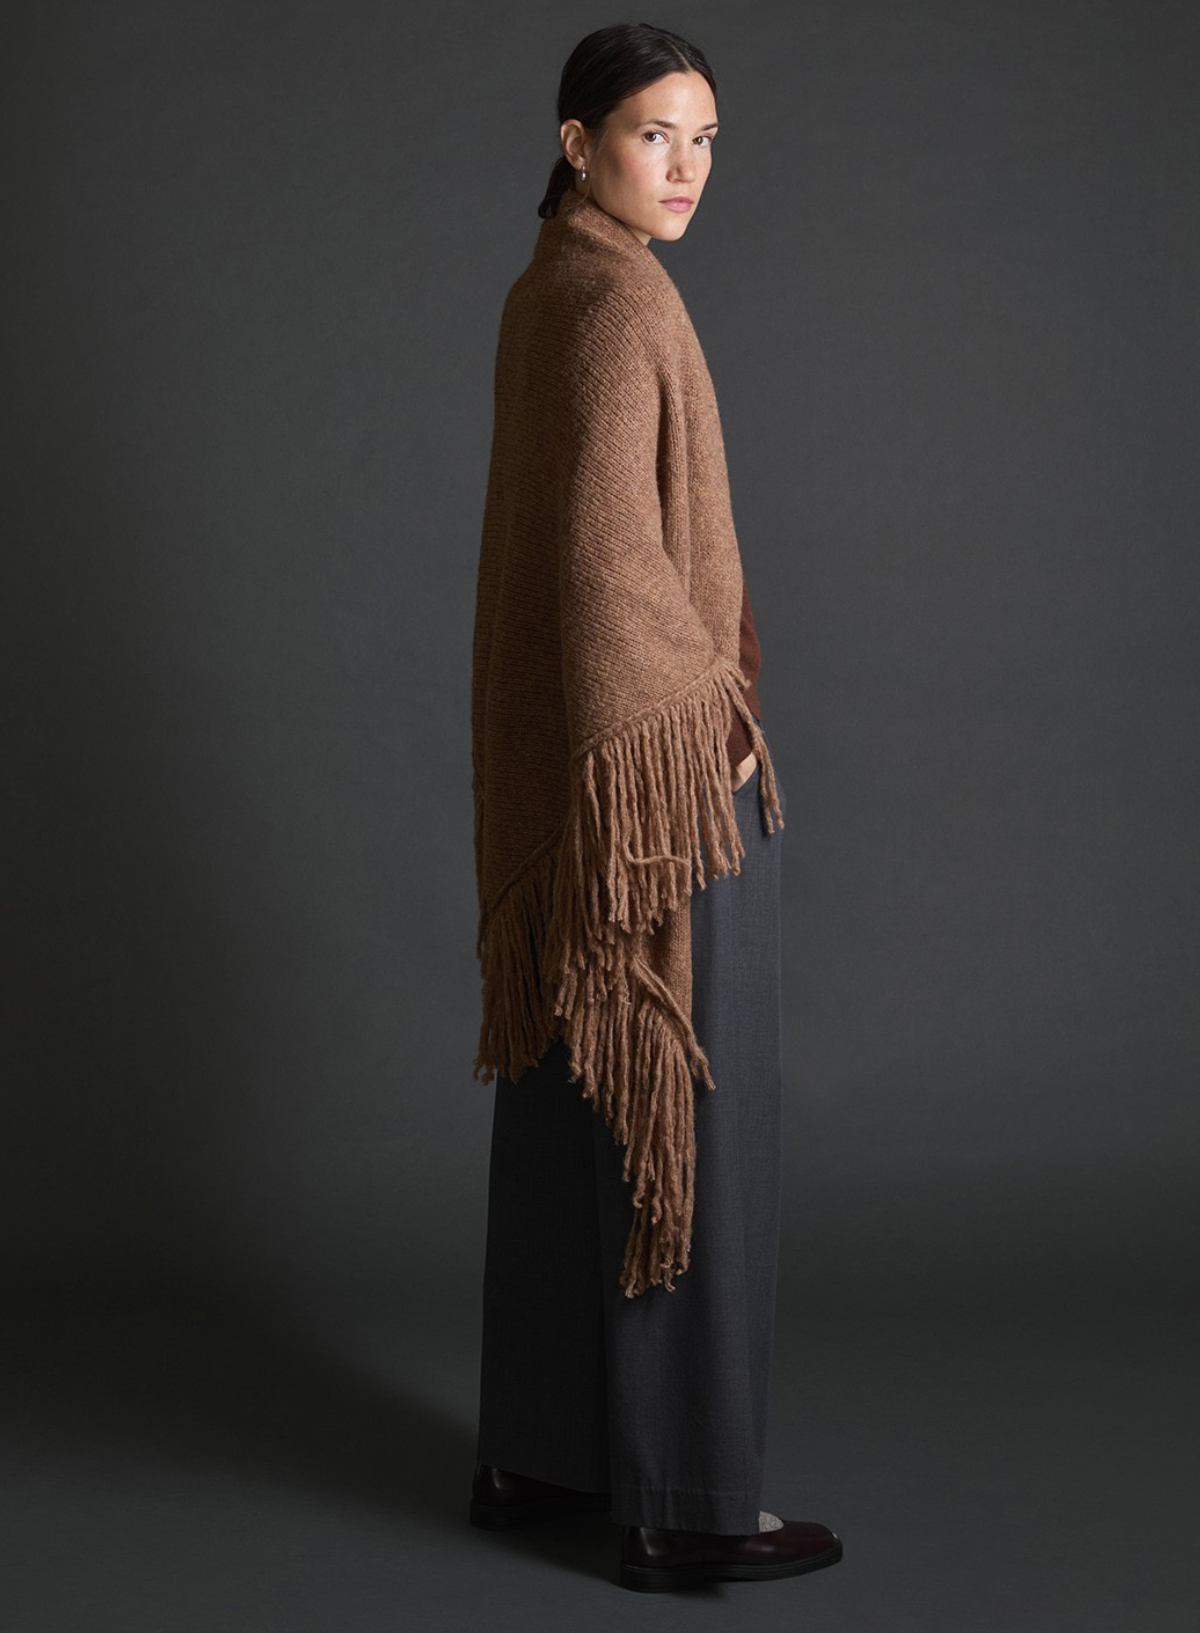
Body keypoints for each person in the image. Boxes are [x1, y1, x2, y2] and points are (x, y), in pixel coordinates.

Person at [467, 23, 843, 1593]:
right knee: (685, 1105)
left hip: (567, 773)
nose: (685, 169)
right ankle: (685, 1505)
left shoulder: (550, 284)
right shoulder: (620, 304)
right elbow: (605, 559)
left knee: (577, 1092)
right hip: (651, 778)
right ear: (576, 142)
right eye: (652, 136)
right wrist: (708, 733)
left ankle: (545, 1460)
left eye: (703, 140)